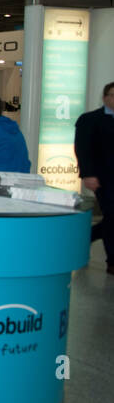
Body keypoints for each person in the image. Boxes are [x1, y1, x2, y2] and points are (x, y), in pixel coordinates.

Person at [75, 81, 114, 275]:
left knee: (111, 219)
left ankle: (88, 235)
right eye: (113, 95)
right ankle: (112, 261)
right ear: (105, 97)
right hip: (104, 178)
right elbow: (83, 149)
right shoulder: (90, 119)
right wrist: (87, 174)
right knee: (112, 215)